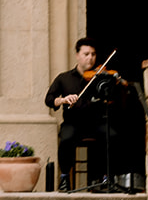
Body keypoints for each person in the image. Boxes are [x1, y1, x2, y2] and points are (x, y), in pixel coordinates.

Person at [45, 37, 121, 191]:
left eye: (93, 54)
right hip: (73, 122)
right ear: (77, 56)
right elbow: (49, 99)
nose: (90, 58)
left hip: (96, 122)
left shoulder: (101, 77)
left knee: (112, 135)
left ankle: (106, 178)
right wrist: (63, 100)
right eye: (86, 54)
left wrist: (114, 84)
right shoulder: (64, 78)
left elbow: (114, 99)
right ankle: (64, 178)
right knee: (66, 138)